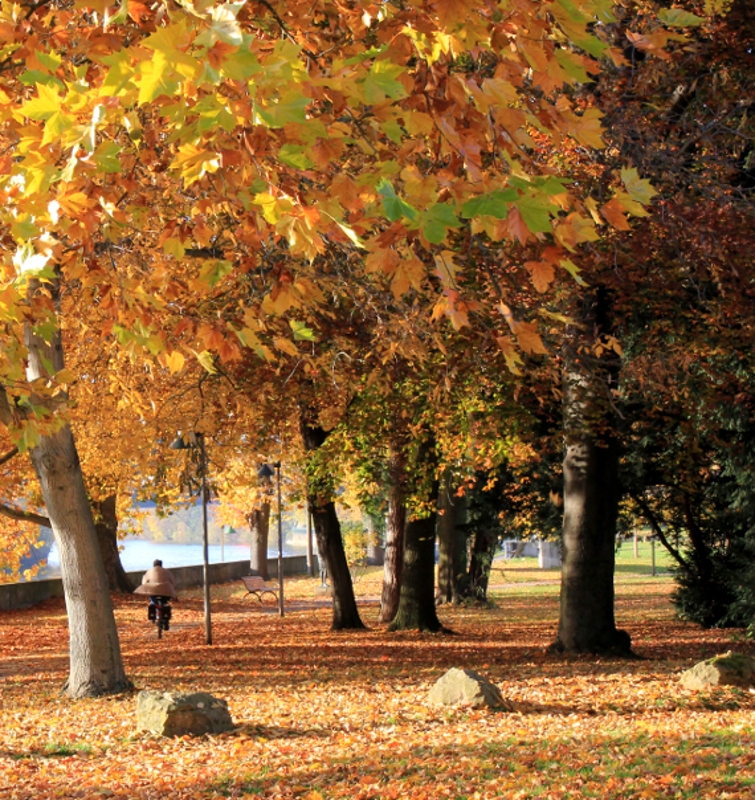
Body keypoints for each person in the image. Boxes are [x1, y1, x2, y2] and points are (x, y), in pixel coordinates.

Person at [134, 559, 177, 626]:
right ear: (161, 565)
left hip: (153, 591)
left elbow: (144, 583)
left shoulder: (149, 572)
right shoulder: (167, 572)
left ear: (153, 565)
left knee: (153, 601)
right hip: (165, 591)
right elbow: (173, 582)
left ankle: (153, 613)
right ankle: (165, 618)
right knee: (165, 602)